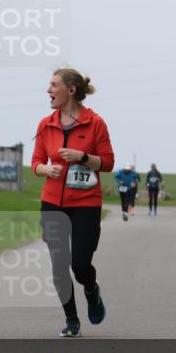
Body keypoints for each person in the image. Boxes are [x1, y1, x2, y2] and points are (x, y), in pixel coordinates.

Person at [32, 68, 115, 337]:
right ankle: (71, 321)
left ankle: (91, 289)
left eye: (53, 85)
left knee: (80, 265)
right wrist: (46, 170)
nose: (48, 90)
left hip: (86, 202)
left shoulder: (96, 123)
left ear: (70, 90)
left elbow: (108, 163)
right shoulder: (46, 124)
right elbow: (35, 163)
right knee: (58, 263)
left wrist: (82, 157)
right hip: (53, 201)